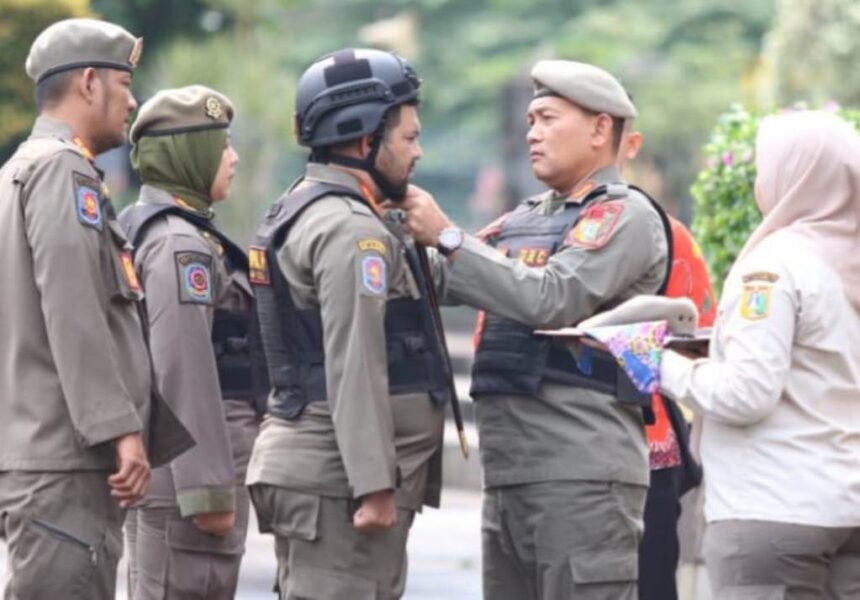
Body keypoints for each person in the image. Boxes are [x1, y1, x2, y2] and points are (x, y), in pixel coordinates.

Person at [401, 59, 671, 599]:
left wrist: (450, 239)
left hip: (582, 475)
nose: (533, 133)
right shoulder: (522, 218)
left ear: (600, 129)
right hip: (511, 472)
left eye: (548, 117)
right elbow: (435, 280)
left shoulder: (625, 217)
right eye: (529, 120)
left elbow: (551, 298)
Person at [245, 48, 450, 598]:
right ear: (365, 142)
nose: (418, 152)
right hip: (338, 485)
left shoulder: (306, 205)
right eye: (408, 138)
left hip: (327, 478)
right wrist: (374, 484)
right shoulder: (349, 232)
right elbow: (354, 357)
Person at [0, 18, 192, 600]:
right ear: (88, 82)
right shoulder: (63, 170)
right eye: (123, 83)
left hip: (44, 450)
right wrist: (120, 429)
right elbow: (74, 309)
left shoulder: (20, 169)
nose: (132, 100)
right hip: (67, 458)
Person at [659, 110, 860, 599]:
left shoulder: (776, 265)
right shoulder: (848, 263)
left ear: (795, 176)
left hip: (774, 508)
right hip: (848, 504)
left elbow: (745, 393)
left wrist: (654, 361)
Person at [119, 85, 267, 599]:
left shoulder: (162, 231)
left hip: (173, 471)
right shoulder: (180, 245)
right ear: (189, 155)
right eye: (219, 145)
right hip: (188, 478)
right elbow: (184, 369)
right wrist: (207, 491)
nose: (233, 157)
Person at [617, 125, 714, 600]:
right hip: (553, 456)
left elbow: (703, 338)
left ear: (623, 141)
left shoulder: (670, 236)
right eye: (535, 120)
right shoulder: (523, 230)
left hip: (649, 454)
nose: (537, 134)